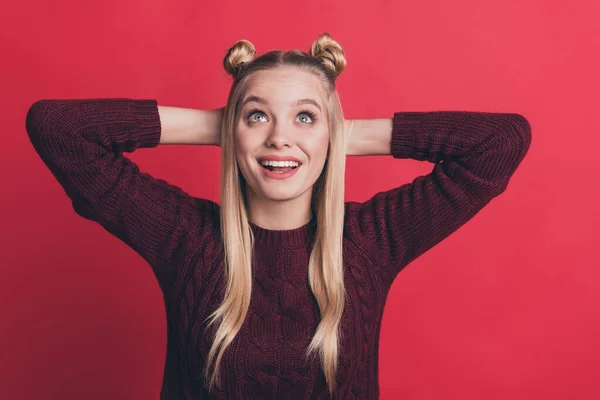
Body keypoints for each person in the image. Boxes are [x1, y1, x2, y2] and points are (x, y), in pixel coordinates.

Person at [25, 32, 531, 400]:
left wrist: (343, 133)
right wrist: (221, 127)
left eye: (305, 117)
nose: (279, 139)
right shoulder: (186, 238)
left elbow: (501, 141)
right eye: (257, 115)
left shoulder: (372, 240)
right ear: (232, 129)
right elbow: (58, 128)